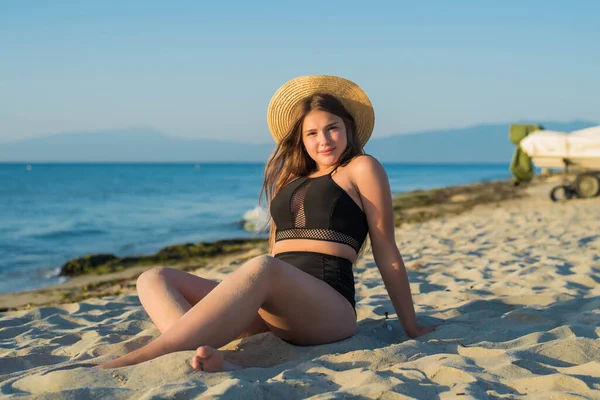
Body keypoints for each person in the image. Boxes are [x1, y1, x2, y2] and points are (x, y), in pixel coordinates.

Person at [96, 75, 438, 371]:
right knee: (153, 277)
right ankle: (210, 357)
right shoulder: (290, 177)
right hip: (274, 309)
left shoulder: (361, 168)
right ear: (301, 140)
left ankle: (145, 357)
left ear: (348, 127)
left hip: (328, 311)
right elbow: (275, 249)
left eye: (332, 128)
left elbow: (386, 249)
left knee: (264, 268)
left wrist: (411, 326)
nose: (324, 140)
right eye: (312, 133)